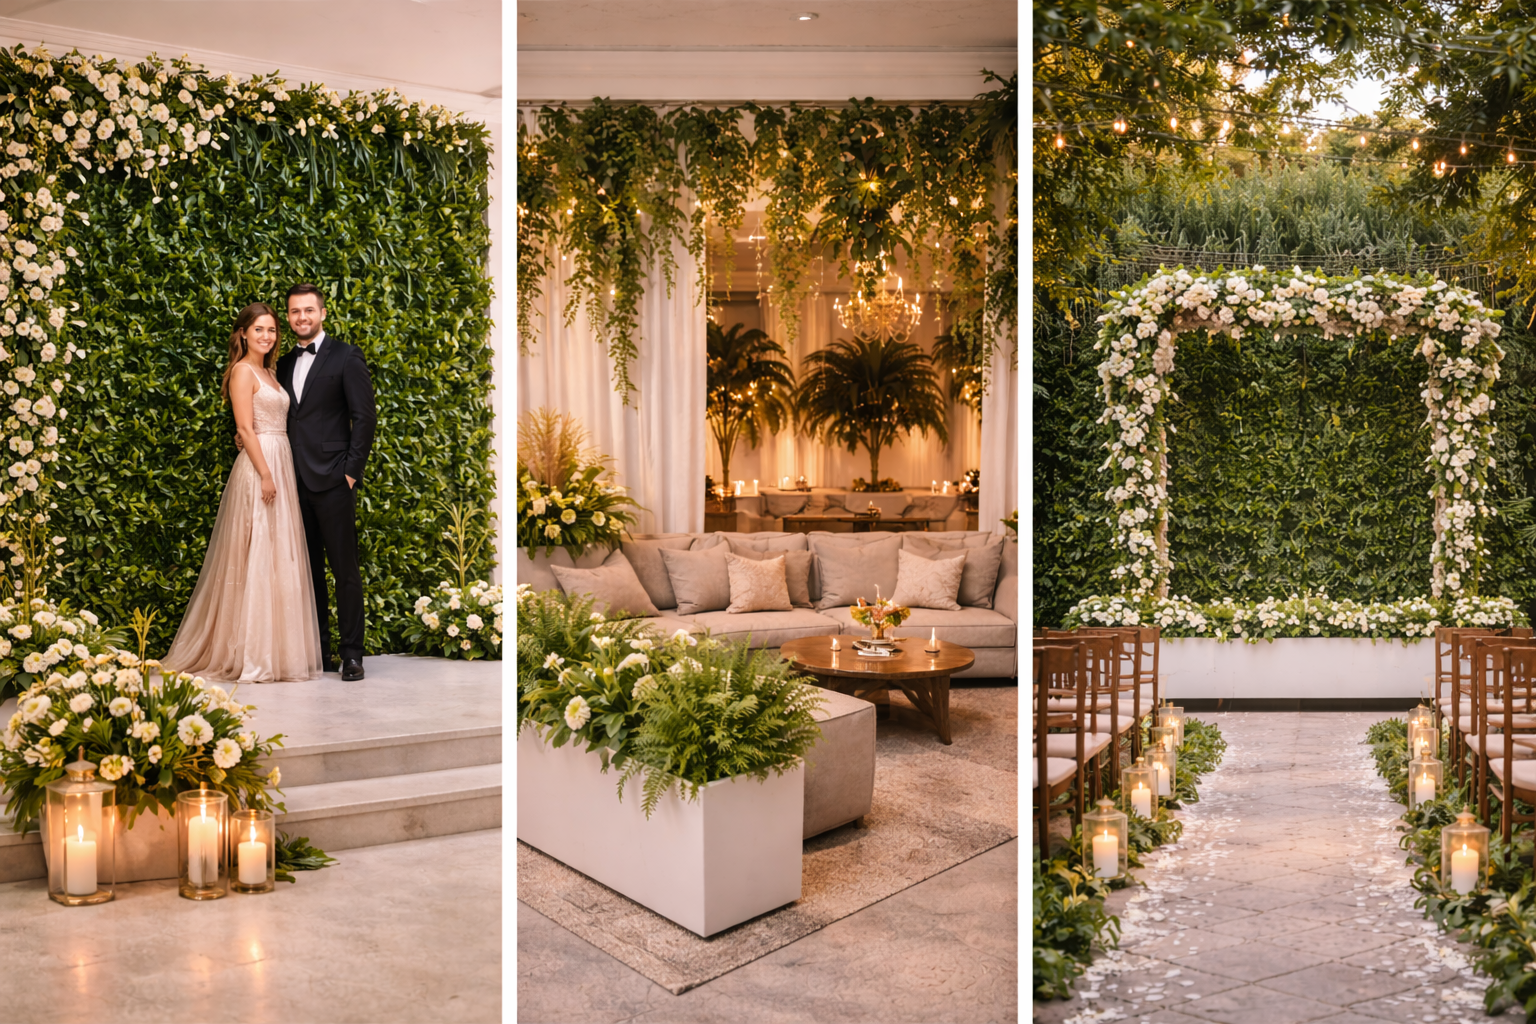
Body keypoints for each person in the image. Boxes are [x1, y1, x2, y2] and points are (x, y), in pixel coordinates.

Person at [163, 303, 323, 682]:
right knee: (256, 552)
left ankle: (277, 651)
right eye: (258, 330)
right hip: (261, 465)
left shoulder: (270, 371)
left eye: (271, 330)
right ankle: (252, 653)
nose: (266, 336)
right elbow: (245, 428)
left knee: (277, 555)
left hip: (280, 458)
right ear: (243, 334)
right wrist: (266, 473)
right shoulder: (242, 371)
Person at [274, 284, 376, 681]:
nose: (302, 317)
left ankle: (352, 655)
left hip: (334, 480)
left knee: (344, 570)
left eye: (308, 311)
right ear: (289, 316)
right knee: (308, 571)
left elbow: (364, 417)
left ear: (323, 313)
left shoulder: (347, 356)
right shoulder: (281, 364)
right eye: (295, 312)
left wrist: (350, 472)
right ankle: (319, 650)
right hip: (291, 483)